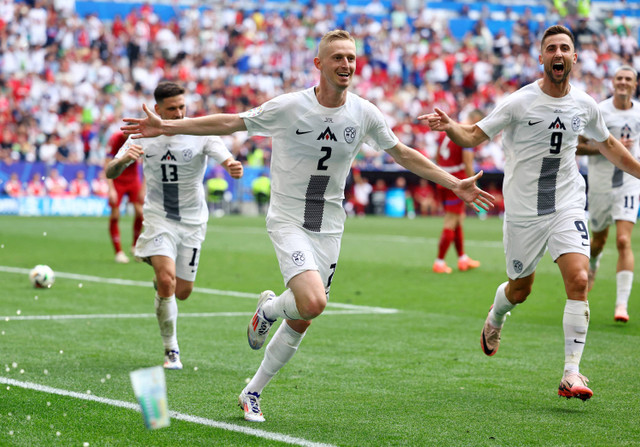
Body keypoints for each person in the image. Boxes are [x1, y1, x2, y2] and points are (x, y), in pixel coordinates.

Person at [121, 30, 493, 422]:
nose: (346, 64)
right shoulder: (289, 107)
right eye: (337, 58)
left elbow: (400, 152)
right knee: (314, 301)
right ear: (319, 64)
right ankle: (267, 310)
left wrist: (454, 183)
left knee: (302, 317)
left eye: (351, 57)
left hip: (329, 225)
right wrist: (169, 127)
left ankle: (253, 391)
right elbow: (232, 121)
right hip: (288, 219)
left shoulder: (364, 113)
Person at [422, 25, 640, 402]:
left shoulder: (585, 104)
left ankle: (571, 373)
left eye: (565, 48)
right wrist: (450, 127)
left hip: (567, 203)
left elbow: (609, 146)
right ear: (541, 58)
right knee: (520, 289)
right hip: (524, 211)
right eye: (551, 48)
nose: (558, 54)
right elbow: (473, 136)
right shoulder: (519, 102)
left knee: (579, 277)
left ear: (574, 57)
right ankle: (497, 314)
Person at [107, 81, 243, 370]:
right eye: (172, 109)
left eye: (182, 107)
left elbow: (224, 154)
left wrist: (231, 165)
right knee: (168, 282)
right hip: (158, 218)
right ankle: (171, 350)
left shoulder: (200, 131)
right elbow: (110, 169)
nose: (180, 114)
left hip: (193, 222)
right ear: (158, 109)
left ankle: (161, 276)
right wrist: (122, 163)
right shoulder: (144, 135)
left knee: (183, 291)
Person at [576, 65, 640, 323]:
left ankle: (621, 305)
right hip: (601, 183)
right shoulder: (599, 111)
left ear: (635, 85)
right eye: (619, 78)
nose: (623, 82)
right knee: (598, 241)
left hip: (628, 182)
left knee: (624, 241)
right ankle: (593, 264)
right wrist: (608, 147)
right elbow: (577, 146)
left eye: (628, 79)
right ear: (612, 83)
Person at [432, 109, 485, 274]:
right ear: (476, 119)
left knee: (457, 220)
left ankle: (462, 258)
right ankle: (439, 261)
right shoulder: (465, 133)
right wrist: (472, 184)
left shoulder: (446, 130)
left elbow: (436, 156)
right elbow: (468, 163)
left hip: (443, 178)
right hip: (458, 182)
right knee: (451, 220)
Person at [105, 130, 145, 264]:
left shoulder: (140, 138)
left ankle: (135, 246)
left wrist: (144, 187)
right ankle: (118, 252)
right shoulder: (115, 139)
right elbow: (107, 162)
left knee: (141, 212)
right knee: (115, 214)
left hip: (133, 179)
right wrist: (111, 189)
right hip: (117, 179)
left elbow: (148, 161)